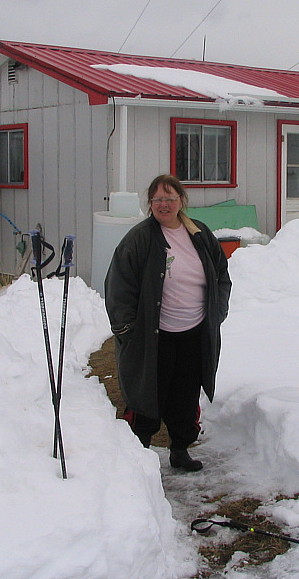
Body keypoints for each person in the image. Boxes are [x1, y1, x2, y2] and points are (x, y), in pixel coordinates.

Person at [104, 174, 231, 472]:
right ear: (150, 203)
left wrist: (217, 311)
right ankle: (139, 455)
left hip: (194, 333)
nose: (164, 204)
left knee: (185, 394)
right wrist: (126, 330)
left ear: (181, 201)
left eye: (170, 198)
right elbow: (119, 287)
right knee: (148, 393)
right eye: (158, 199)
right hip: (153, 337)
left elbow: (221, 274)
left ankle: (180, 450)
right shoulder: (139, 239)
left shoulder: (199, 233)